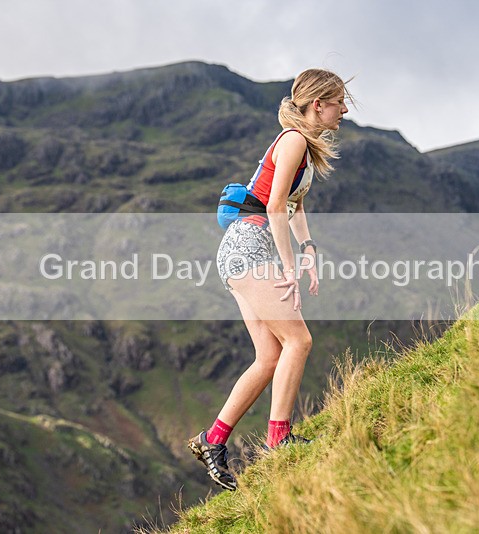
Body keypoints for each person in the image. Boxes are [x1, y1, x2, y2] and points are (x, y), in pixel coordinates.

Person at [188, 68, 351, 491]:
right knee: (299, 341)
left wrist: (309, 250)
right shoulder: (294, 140)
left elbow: (294, 208)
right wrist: (288, 266)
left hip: (242, 248)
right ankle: (279, 440)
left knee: (269, 356)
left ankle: (213, 439)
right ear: (318, 104)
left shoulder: (302, 146)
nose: (344, 109)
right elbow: (275, 207)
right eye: (339, 102)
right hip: (250, 246)